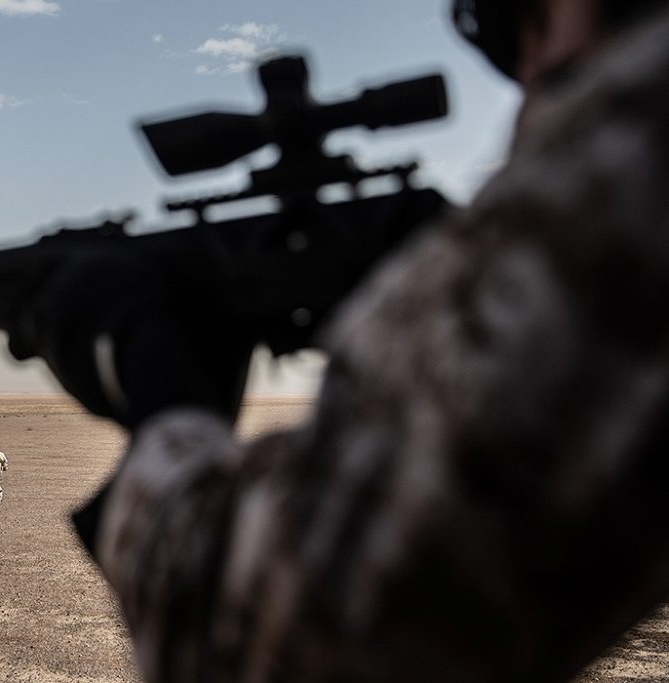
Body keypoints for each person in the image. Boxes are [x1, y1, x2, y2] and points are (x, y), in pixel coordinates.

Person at [33, 0, 669, 681]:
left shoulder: (642, 140)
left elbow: (286, 643)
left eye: (537, 34)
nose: (528, 97)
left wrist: (162, 393)